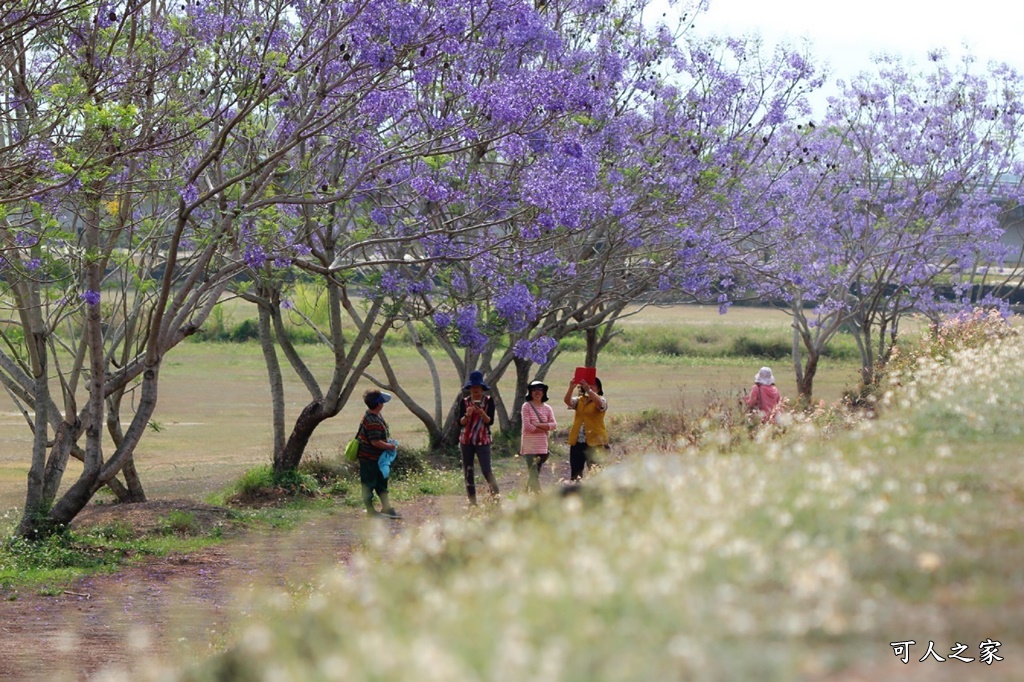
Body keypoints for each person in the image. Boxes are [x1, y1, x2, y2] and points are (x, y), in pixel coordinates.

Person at [457, 370, 500, 506]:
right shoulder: (464, 402)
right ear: (469, 389)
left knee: (486, 470)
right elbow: (460, 422)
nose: (475, 390)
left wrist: (482, 413)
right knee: (468, 471)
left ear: (482, 389)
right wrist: (467, 415)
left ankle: (496, 497)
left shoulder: (489, 401)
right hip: (467, 440)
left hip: (483, 440)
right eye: (473, 387)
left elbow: (490, 421)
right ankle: (472, 502)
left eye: (478, 387)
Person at [355, 389, 401, 519]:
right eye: (382, 402)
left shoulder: (371, 415)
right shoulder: (373, 421)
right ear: (379, 404)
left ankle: (386, 508)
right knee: (369, 485)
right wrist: (390, 446)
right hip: (370, 458)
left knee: (381, 483)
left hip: (376, 458)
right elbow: (375, 442)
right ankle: (371, 511)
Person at [564, 375, 608, 481]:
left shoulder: (601, 399)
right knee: (576, 472)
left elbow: (600, 404)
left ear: (598, 388)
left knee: (596, 472)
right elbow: (568, 401)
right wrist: (571, 387)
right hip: (578, 441)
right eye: (587, 385)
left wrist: (589, 391)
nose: (590, 386)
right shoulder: (580, 400)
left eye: (593, 385)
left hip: (596, 441)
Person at [520, 379, 556, 493]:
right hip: (529, 446)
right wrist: (545, 426)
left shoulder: (548, 408)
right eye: (534, 390)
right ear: (530, 392)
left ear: (544, 392)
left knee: (535, 473)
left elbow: (554, 425)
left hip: (542, 446)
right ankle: (539, 496)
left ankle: (526, 494)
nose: (537, 392)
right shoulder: (526, 406)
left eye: (540, 389)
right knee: (533, 472)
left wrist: (537, 424)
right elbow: (527, 427)